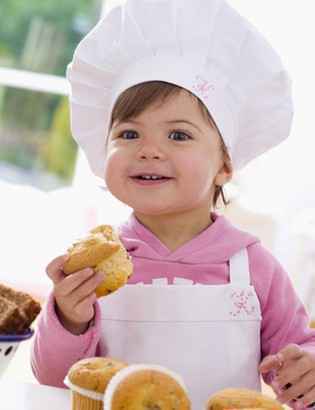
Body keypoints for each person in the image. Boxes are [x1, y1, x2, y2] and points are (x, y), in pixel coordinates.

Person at [31, 0, 315, 408]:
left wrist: (304, 369)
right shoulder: (94, 267)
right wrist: (69, 318)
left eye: (178, 135)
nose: (148, 150)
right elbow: (54, 381)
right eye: (128, 134)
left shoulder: (254, 266)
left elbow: (299, 361)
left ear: (225, 164)